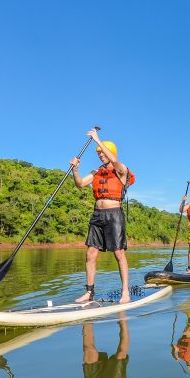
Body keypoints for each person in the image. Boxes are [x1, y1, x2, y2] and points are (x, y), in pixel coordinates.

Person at [70, 129, 134, 303]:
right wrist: (75, 169)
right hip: (97, 215)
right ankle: (89, 292)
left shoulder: (121, 170)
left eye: (102, 152)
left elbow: (113, 160)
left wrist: (97, 139)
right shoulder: (97, 172)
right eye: (98, 153)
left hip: (114, 215)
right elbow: (80, 184)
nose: (100, 156)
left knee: (119, 253)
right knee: (90, 254)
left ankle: (125, 292)